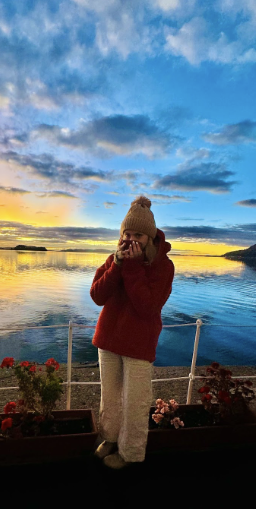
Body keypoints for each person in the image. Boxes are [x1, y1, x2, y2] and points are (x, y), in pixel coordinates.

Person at [90, 195, 175, 469]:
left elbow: (148, 307)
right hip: (108, 339)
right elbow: (97, 296)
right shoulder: (113, 259)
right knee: (110, 397)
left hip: (139, 343)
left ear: (150, 237)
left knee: (135, 402)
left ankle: (131, 452)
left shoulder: (164, 266)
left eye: (138, 234)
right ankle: (110, 438)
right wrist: (116, 265)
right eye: (126, 233)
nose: (130, 240)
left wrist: (134, 267)